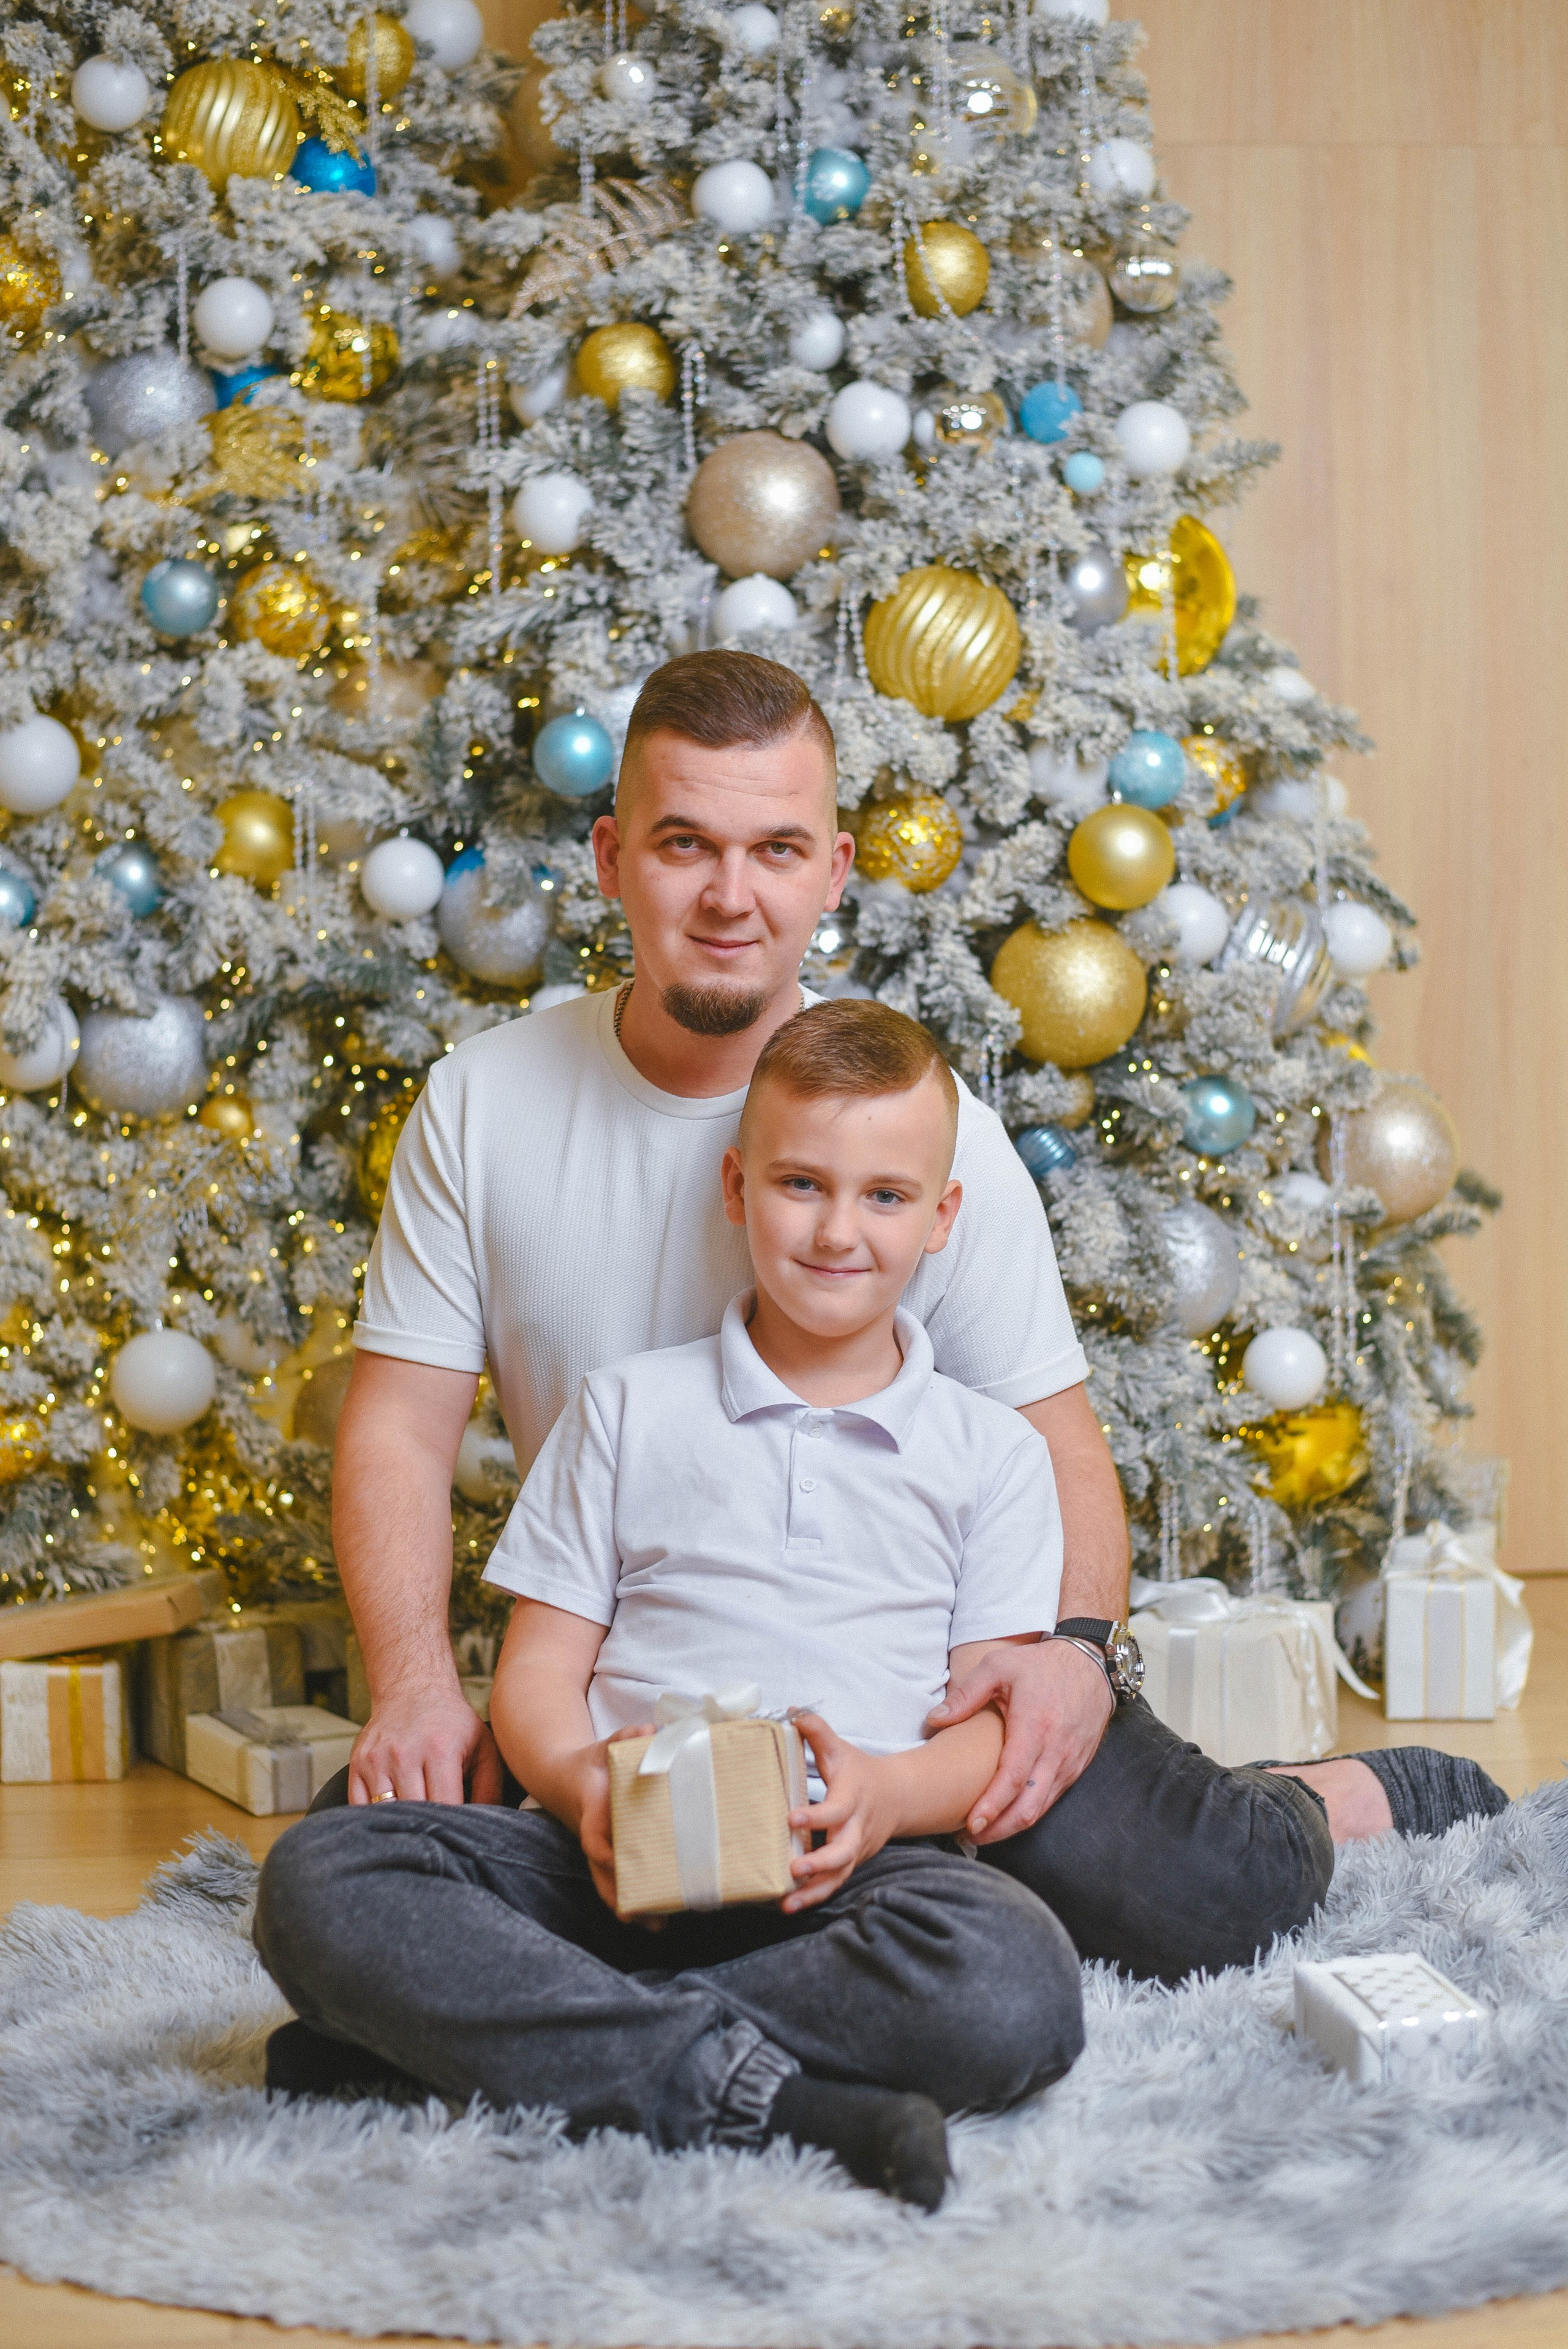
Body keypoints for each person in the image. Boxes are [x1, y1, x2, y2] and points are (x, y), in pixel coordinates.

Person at [322, 649, 1505, 1983]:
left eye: (775, 849)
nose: (728, 895)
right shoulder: (482, 1104)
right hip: (635, 1696)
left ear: (831, 873)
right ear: (608, 858)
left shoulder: (931, 1140)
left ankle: (1303, 1798)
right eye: (681, 845)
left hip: (914, 1692)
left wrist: (1069, 1658)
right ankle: (726, 2029)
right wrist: (420, 1686)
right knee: (358, 1868)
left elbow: (1052, 1440)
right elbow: (400, 1433)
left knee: (1190, 1894)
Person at [256, 1004, 1085, 2209]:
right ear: (738, 1187)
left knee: (1013, 1982)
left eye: (885, 1198)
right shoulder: (626, 1409)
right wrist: (585, 1787)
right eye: (801, 1184)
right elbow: (536, 1679)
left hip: (839, 1877)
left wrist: (885, 1796)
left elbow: (986, 1726)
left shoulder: (991, 1456)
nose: (838, 1231)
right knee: (323, 1878)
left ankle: (483, 2047)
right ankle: (774, 2100)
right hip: (600, 1859)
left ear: (941, 1217)